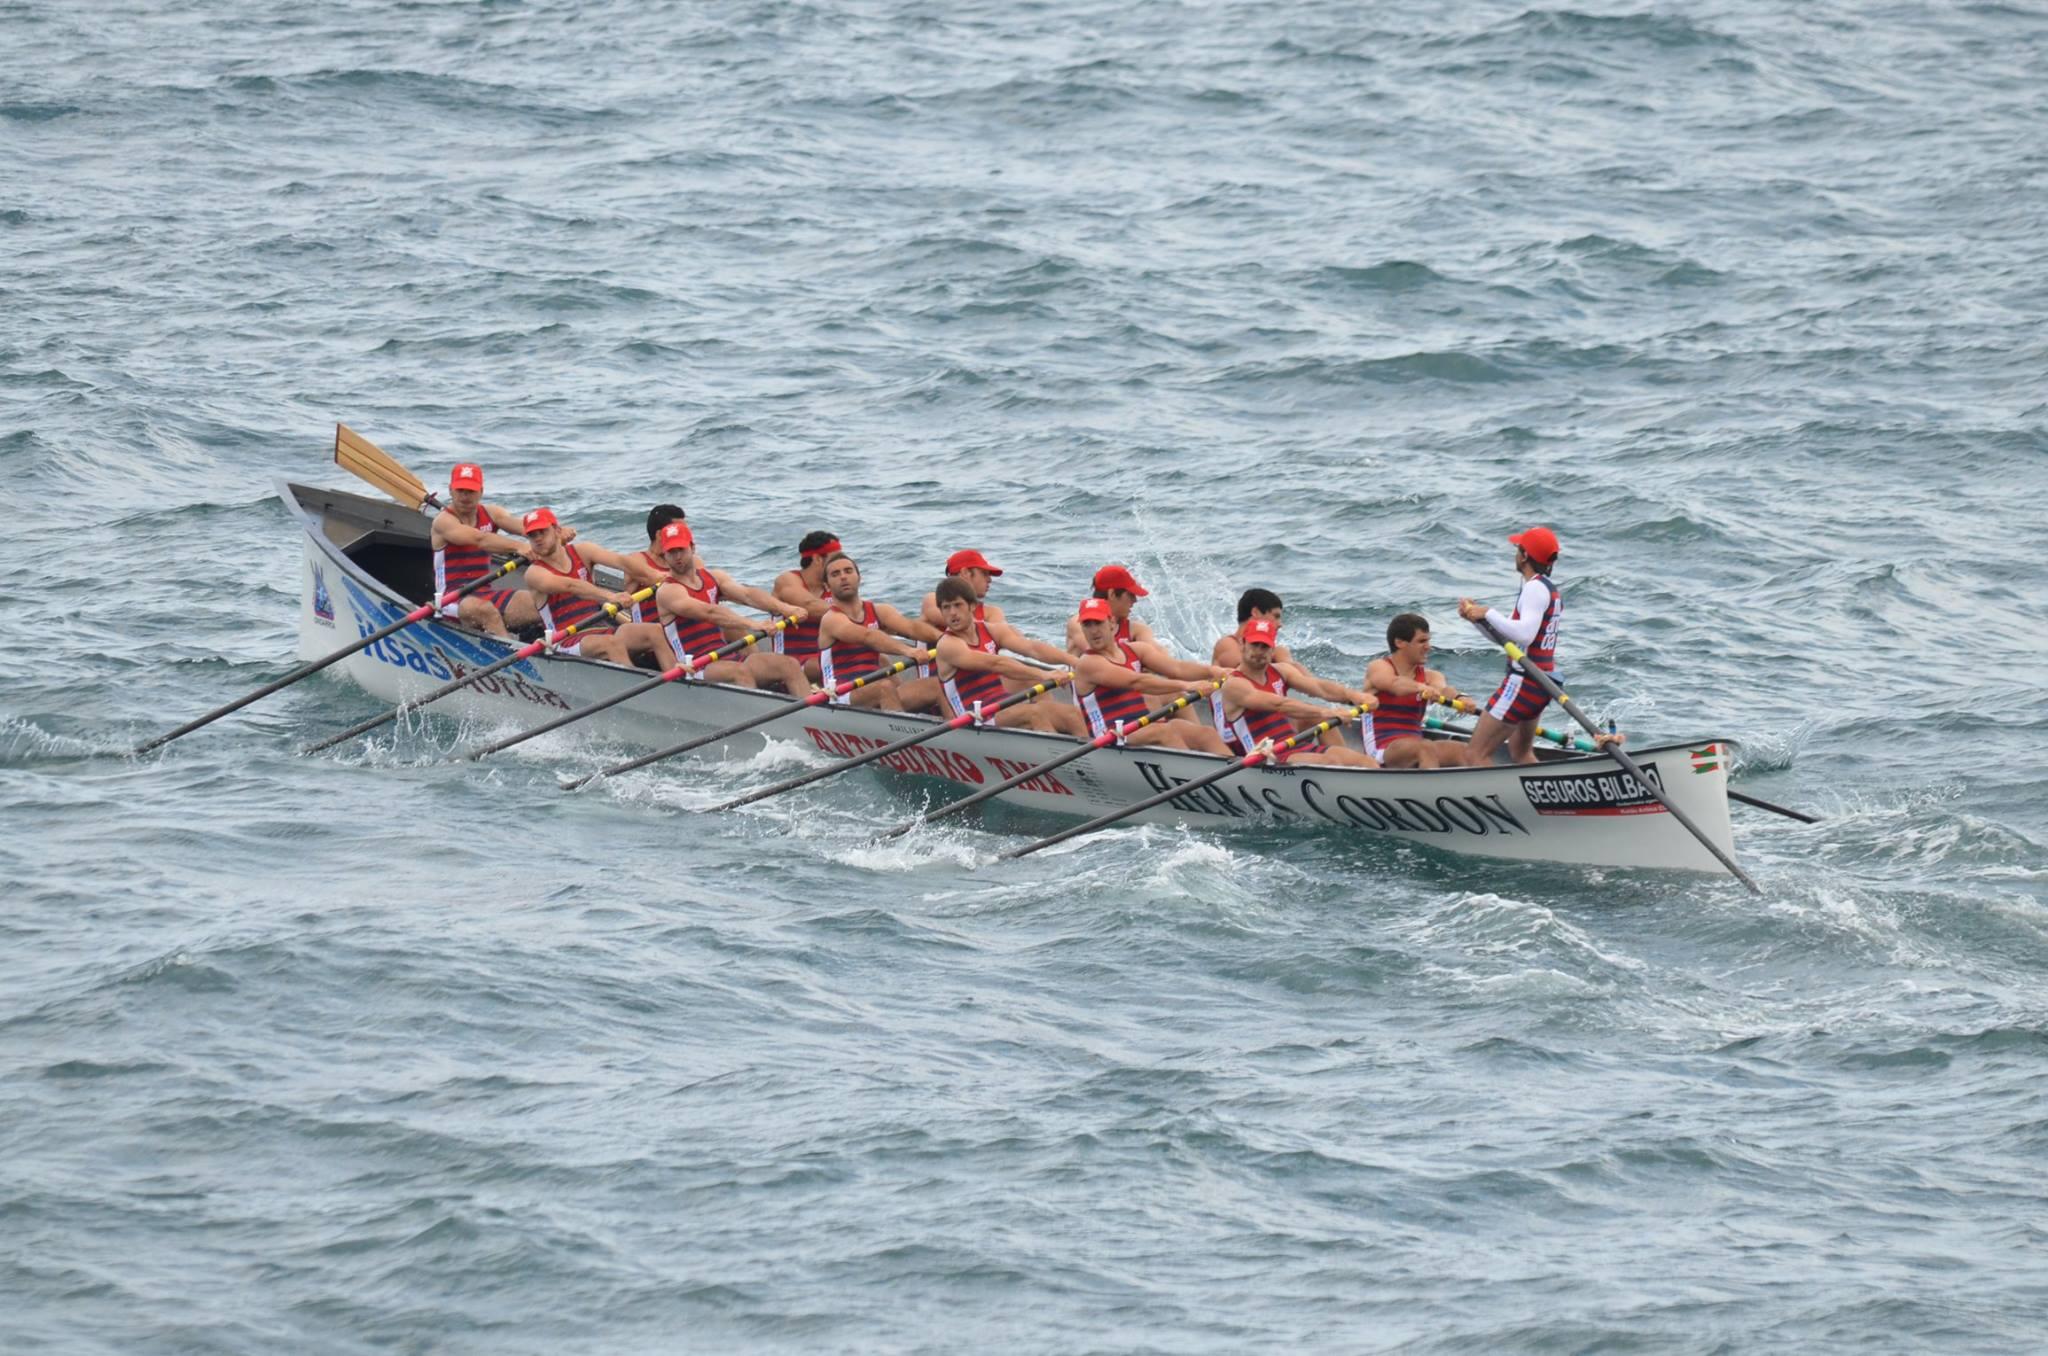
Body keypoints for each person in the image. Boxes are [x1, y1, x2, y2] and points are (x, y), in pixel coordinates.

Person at [650, 521, 812, 695]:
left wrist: (786, 608)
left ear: (692, 548)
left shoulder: (713, 577)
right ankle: (761, 718)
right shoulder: (668, 591)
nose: (677, 557)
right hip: (695, 667)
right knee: (740, 672)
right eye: (671, 552)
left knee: (788, 664)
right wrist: (754, 624)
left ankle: (811, 719)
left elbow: (748, 595)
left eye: (681, 549)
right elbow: (709, 612)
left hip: (726, 658)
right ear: (664, 555)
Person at [1455, 525, 1563, 766]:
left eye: (1518, 549)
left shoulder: (1534, 588)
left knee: (1474, 754)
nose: (1515, 554)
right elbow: (1509, 640)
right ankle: (1545, 802)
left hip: (1524, 681)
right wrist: (1477, 619)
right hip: (1542, 682)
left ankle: (1491, 802)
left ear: (1525, 556)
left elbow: (1524, 635)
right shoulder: (1546, 588)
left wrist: (1488, 612)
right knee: (1520, 753)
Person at [1071, 598, 1232, 752]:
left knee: (1206, 733)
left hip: (1140, 728)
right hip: (1110, 736)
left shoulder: (1136, 650)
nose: (1093, 631)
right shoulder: (1088, 663)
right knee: (1165, 731)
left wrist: (1214, 671)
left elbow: (1177, 668)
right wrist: (1187, 685)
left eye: (1098, 623)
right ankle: (1196, 775)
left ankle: (1234, 777)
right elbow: (1137, 682)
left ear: (1111, 623)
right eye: (1087, 625)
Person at [932, 577, 1085, 735]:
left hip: (1000, 706)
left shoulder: (990, 630)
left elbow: (1032, 648)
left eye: (957, 605)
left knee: (1072, 714)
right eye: (946, 607)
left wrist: (1077, 662)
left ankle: (1090, 758)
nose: (952, 613)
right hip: (973, 719)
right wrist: (1044, 674)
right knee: (1035, 714)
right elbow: (996, 664)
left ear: (972, 606)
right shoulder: (948, 644)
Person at [1218, 619, 1377, 766]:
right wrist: (1326, 712)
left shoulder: (1281, 671)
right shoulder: (1234, 684)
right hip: (1266, 757)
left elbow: (1319, 687)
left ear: (1272, 648)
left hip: (1295, 746)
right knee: (1331, 762)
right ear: (1242, 644)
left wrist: (1355, 696)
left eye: (1265, 646)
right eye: (1255, 645)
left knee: (1365, 762)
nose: (1259, 651)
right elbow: (1280, 704)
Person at [815, 552, 941, 710]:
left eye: (848, 571)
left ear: (858, 577)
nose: (843, 577)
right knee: (884, 687)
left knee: (935, 684)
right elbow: (867, 636)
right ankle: (900, 730)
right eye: (835, 574)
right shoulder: (831, 619)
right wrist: (909, 651)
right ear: (827, 586)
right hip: (840, 695)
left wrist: (945, 639)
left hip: (874, 689)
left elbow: (911, 627)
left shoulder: (879, 610)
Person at [429, 462, 541, 637]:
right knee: (486, 611)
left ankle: (541, 649)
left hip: (484, 593)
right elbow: (479, 539)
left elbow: (526, 528)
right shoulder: (443, 521)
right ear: (450, 490)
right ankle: (513, 659)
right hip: (451, 599)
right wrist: (519, 546)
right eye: (460, 490)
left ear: (481, 491)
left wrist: (553, 533)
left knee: (541, 604)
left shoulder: (492, 513)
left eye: (471, 491)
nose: (465, 496)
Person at [519, 507, 638, 663]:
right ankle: (644, 685)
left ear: (557, 530)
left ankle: (678, 683)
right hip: (564, 641)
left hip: (599, 630)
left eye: (543, 532)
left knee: (654, 632)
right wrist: (611, 596)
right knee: (611, 643)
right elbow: (571, 586)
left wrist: (657, 576)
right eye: (532, 535)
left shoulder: (581, 551)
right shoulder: (534, 573)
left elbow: (621, 561)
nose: (538, 538)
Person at [1362, 614, 1464, 768]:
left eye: (1428, 640)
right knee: (1425, 747)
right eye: (1422, 641)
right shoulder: (1379, 667)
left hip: (1417, 745)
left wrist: (1460, 697)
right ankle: (1433, 790)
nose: (1428, 646)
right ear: (1400, 642)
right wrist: (1420, 687)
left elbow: (1443, 690)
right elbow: (1394, 684)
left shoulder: (1431, 676)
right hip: (1382, 750)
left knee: (1465, 751)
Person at [770, 530, 843, 683]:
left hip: (824, 656)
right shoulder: (787, 580)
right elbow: (809, 605)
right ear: (817, 559)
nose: (841, 563)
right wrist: (853, 615)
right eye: (836, 558)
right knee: (829, 664)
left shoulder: (833, 586)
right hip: (790, 662)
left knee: (881, 659)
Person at [1065, 564, 1158, 653]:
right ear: (1112, 594)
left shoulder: (1138, 629)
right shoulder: (1079, 623)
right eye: (1131, 595)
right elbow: (1101, 655)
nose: (1135, 600)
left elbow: (1159, 655)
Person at [919, 549, 1010, 629]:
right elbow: (953, 621)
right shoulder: (933, 599)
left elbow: (1002, 635)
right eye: (984, 574)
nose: (990, 580)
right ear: (965, 573)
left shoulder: (992, 612)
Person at [1210, 588, 1297, 669]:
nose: (1280, 624)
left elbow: (1299, 676)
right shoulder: (1228, 644)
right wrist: (1279, 658)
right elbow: (1249, 671)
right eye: (1276, 616)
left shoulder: (1276, 652)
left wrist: (1287, 662)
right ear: (1255, 612)